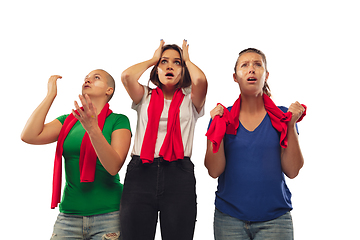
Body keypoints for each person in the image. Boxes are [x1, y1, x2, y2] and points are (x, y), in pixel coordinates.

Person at [204, 48, 306, 240]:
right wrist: (215, 130)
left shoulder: (283, 117)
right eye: (245, 65)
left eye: (257, 64)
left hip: (275, 221)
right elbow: (214, 171)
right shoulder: (221, 118)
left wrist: (291, 125)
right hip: (229, 219)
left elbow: (292, 170)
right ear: (235, 77)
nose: (251, 69)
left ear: (266, 75)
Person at [21, 69, 132, 240]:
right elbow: (29, 135)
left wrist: (93, 129)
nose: (88, 80)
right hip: (68, 217)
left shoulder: (119, 120)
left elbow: (113, 166)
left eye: (96, 78)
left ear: (109, 90)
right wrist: (51, 95)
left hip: (109, 216)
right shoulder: (68, 120)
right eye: (86, 78)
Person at [120, 39, 207, 240]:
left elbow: (201, 80)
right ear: (157, 69)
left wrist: (187, 59)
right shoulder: (144, 96)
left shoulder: (191, 99)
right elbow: (126, 76)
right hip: (141, 172)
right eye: (164, 62)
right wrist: (152, 59)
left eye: (176, 63)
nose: (170, 66)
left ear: (184, 70)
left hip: (179, 174)